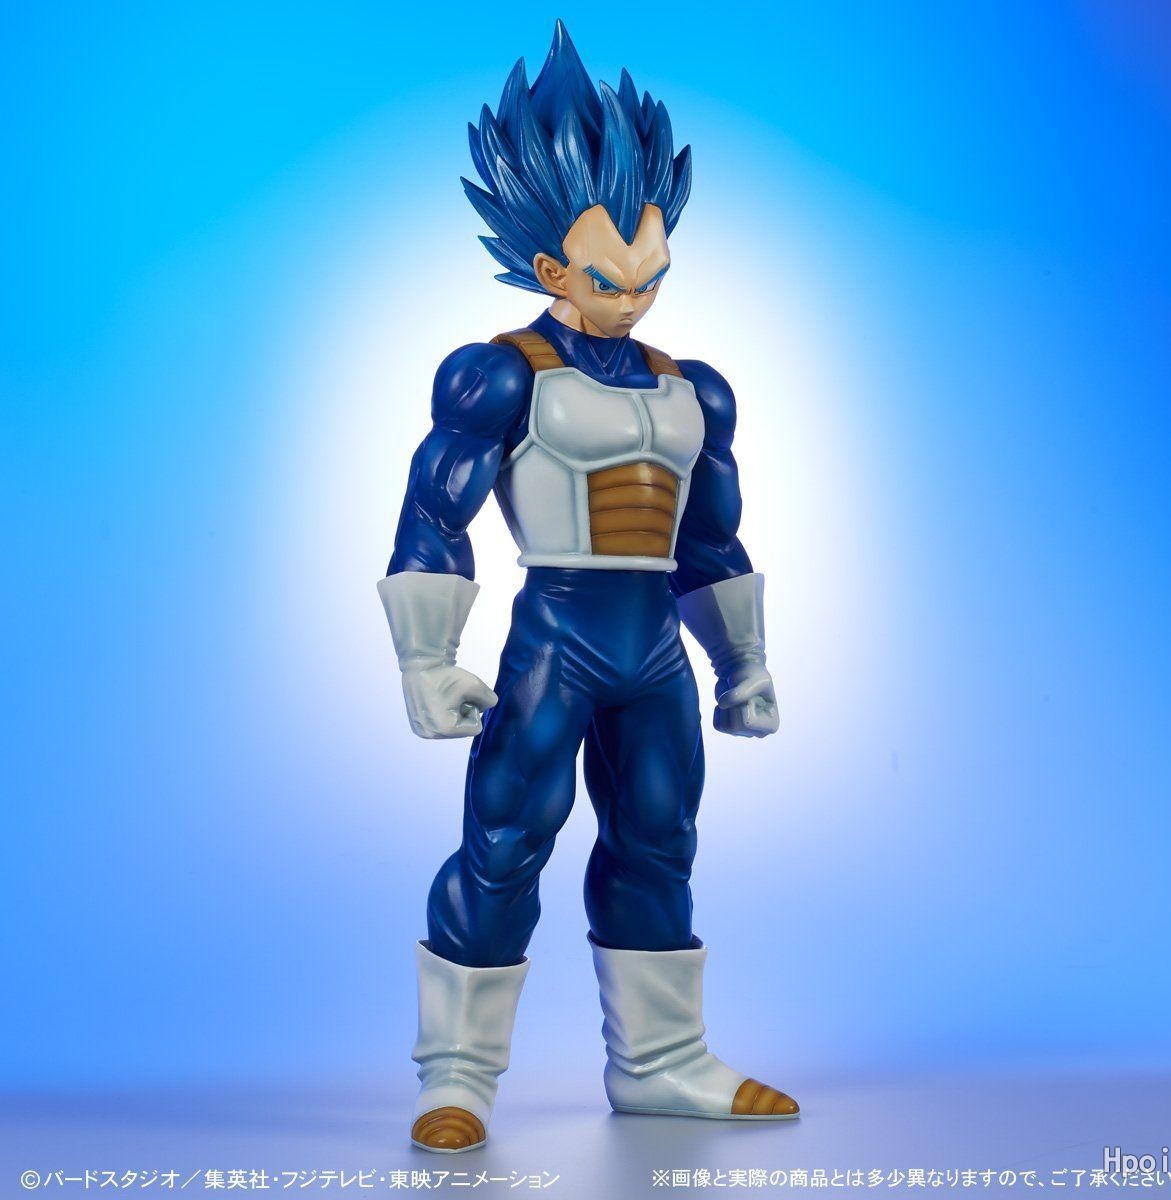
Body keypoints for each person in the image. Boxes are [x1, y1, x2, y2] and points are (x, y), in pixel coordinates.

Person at [378, 22, 797, 1153]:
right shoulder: (498, 375)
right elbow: (434, 514)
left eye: (655, 276)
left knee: (660, 836)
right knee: (508, 837)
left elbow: (711, 537)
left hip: (652, 644)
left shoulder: (693, 389)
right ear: (549, 268)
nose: (636, 300)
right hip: (555, 639)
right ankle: (455, 1077)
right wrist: (425, 660)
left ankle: (661, 1063)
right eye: (612, 281)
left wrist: (746, 660)